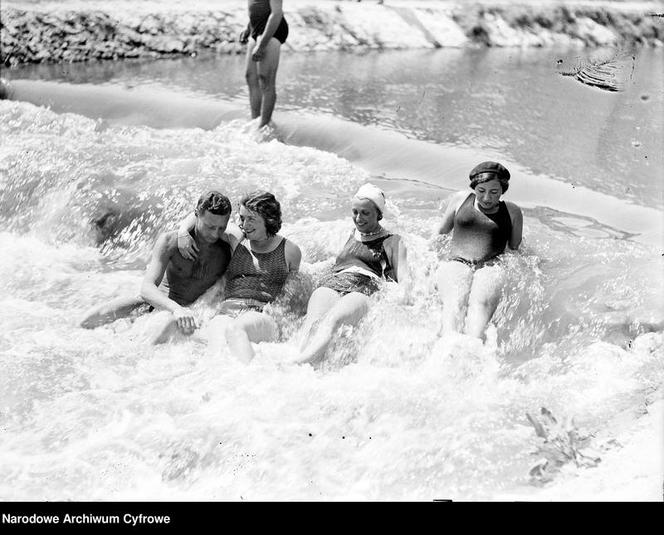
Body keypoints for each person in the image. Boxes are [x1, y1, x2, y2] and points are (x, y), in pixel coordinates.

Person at [79, 191, 237, 344]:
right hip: (157, 304)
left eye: (221, 228)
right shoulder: (171, 241)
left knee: (160, 331)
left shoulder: (226, 248)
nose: (215, 234)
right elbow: (147, 288)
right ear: (196, 215)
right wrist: (176, 309)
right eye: (210, 227)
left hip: (192, 313)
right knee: (89, 319)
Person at [292, 184, 410, 366]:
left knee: (334, 319)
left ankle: (304, 361)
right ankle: (299, 361)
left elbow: (404, 277)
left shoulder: (392, 240)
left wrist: (405, 299)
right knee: (313, 322)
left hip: (365, 286)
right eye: (355, 212)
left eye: (365, 213)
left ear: (379, 214)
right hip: (335, 281)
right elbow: (333, 263)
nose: (358, 218)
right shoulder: (349, 234)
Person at [178, 190, 301, 363]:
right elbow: (201, 215)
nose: (244, 225)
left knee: (236, 329)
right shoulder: (237, 239)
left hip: (260, 314)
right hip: (226, 311)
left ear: (269, 219)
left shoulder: (290, 251)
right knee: (217, 343)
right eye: (242, 218)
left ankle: (251, 376)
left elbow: (292, 296)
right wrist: (183, 231)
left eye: (251, 219)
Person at [434, 161, 523, 341]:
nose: (487, 198)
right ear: (474, 187)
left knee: (480, 307)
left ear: (503, 191)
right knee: (454, 304)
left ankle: (472, 350)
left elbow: (514, 247)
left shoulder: (512, 211)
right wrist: (431, 263)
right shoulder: (460, 200)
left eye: (494, 192)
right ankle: (446, 347)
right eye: (481, 191)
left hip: (490, 268)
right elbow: (440, 234)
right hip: (457, 263)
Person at [239, 0, 288, 128]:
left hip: (272, 30)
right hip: (256, 29)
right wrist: (248, 28)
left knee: (266, 80)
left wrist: (261, 46)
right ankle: (255, 121)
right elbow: (258, 9)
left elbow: (276, 14)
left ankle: (264, 126)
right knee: (250, 77)